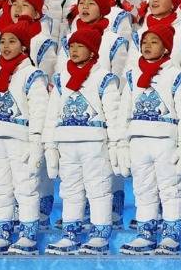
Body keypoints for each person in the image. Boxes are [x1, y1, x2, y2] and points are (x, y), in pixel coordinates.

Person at [42, 25, 124, 255]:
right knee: (70, 190)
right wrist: (50, 145)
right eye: (72, 46)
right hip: (67, 144)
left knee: (98, 188)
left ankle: (100, 235)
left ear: (93, 50)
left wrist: (116, 145)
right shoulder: (61, 80)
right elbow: (52, 115)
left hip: (94, 144)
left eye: (81, 46)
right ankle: (70, 234)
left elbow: (113, 115)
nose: (75, 50)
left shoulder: (103, 79)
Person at [0, 18, 51, 255]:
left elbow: (39, 111)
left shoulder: (32, 75)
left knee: (25, 187)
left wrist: (36, 141)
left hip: (20, 140)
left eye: (12, 41)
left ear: (24, 46)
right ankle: (2, 233)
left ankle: (28, 235)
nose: (6, 46)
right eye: (3, 41)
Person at [118, 23, 181, 255]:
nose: (148, 46)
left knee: (170, 188)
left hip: (165, 141)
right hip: (138, 140)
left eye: (154, 42)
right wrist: (122, 143)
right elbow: (124, 111)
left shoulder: (176, 76)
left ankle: (171, 235)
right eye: (144, 42)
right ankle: (146, 233)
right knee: (143, 189)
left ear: (166, 48)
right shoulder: (133, 75)